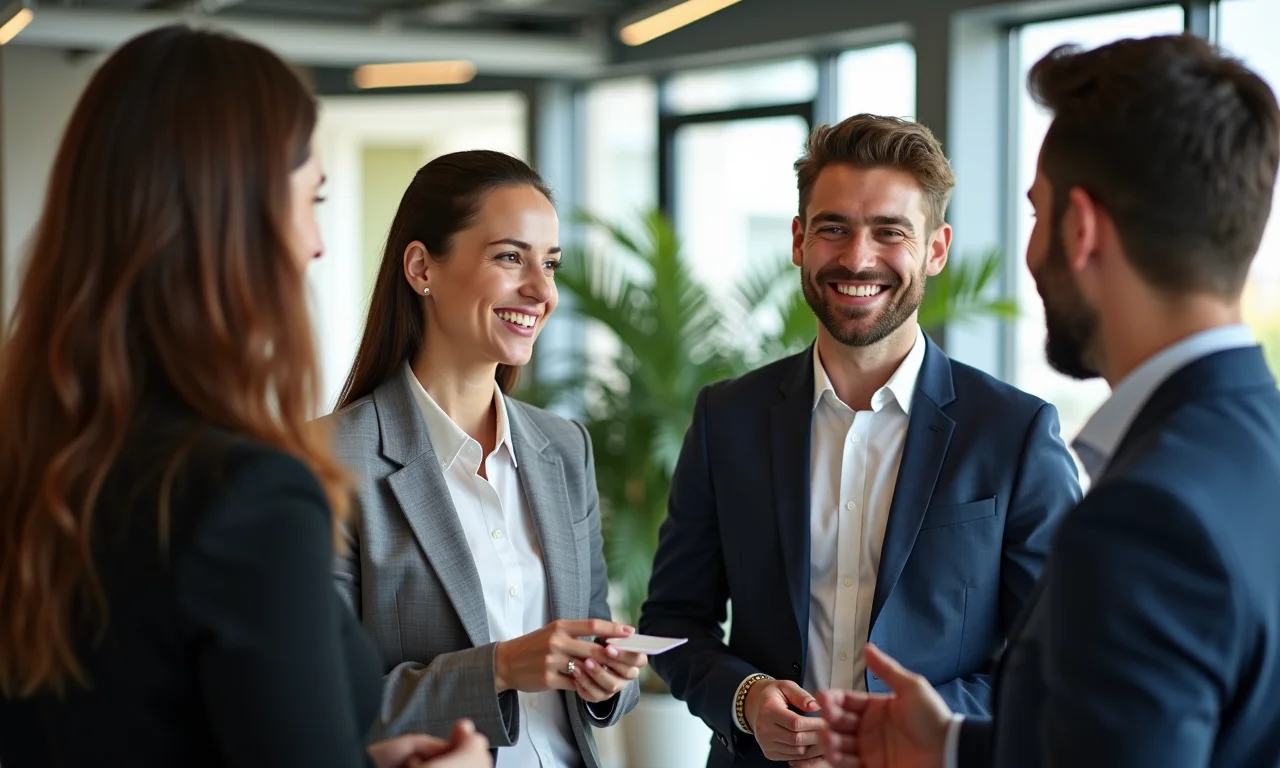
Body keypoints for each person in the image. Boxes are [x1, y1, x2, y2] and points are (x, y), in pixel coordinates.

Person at [0, 25, 490, 768]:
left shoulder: (33, 456)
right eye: (309, 199)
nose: (316, 242)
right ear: (231, 221)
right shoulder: (247, 496)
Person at [818, 33, 1280, 768]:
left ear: (1081, 228)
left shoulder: (1148, 517)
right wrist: (951, 748)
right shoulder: (1257, 445)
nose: (1030, 251)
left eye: (1036, 214)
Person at [637, 113, 1081, 767]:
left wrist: (914, 725)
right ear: (798, 239)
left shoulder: (1015, 434)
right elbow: (671, 624)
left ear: (936, 248)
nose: (857, 258)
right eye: (833, 229)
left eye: (889, 233)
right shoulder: (726, 418)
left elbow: (1056, 661)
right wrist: (746, 698)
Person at [326, 149, 644, 768]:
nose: (542, 290)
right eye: (509, 257)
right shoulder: (334, 459)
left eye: (549, 263)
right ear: (421, 267)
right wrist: (499, 668)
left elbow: (599, 644)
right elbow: (327, 699)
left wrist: (609, 684)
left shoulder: (563, 449)